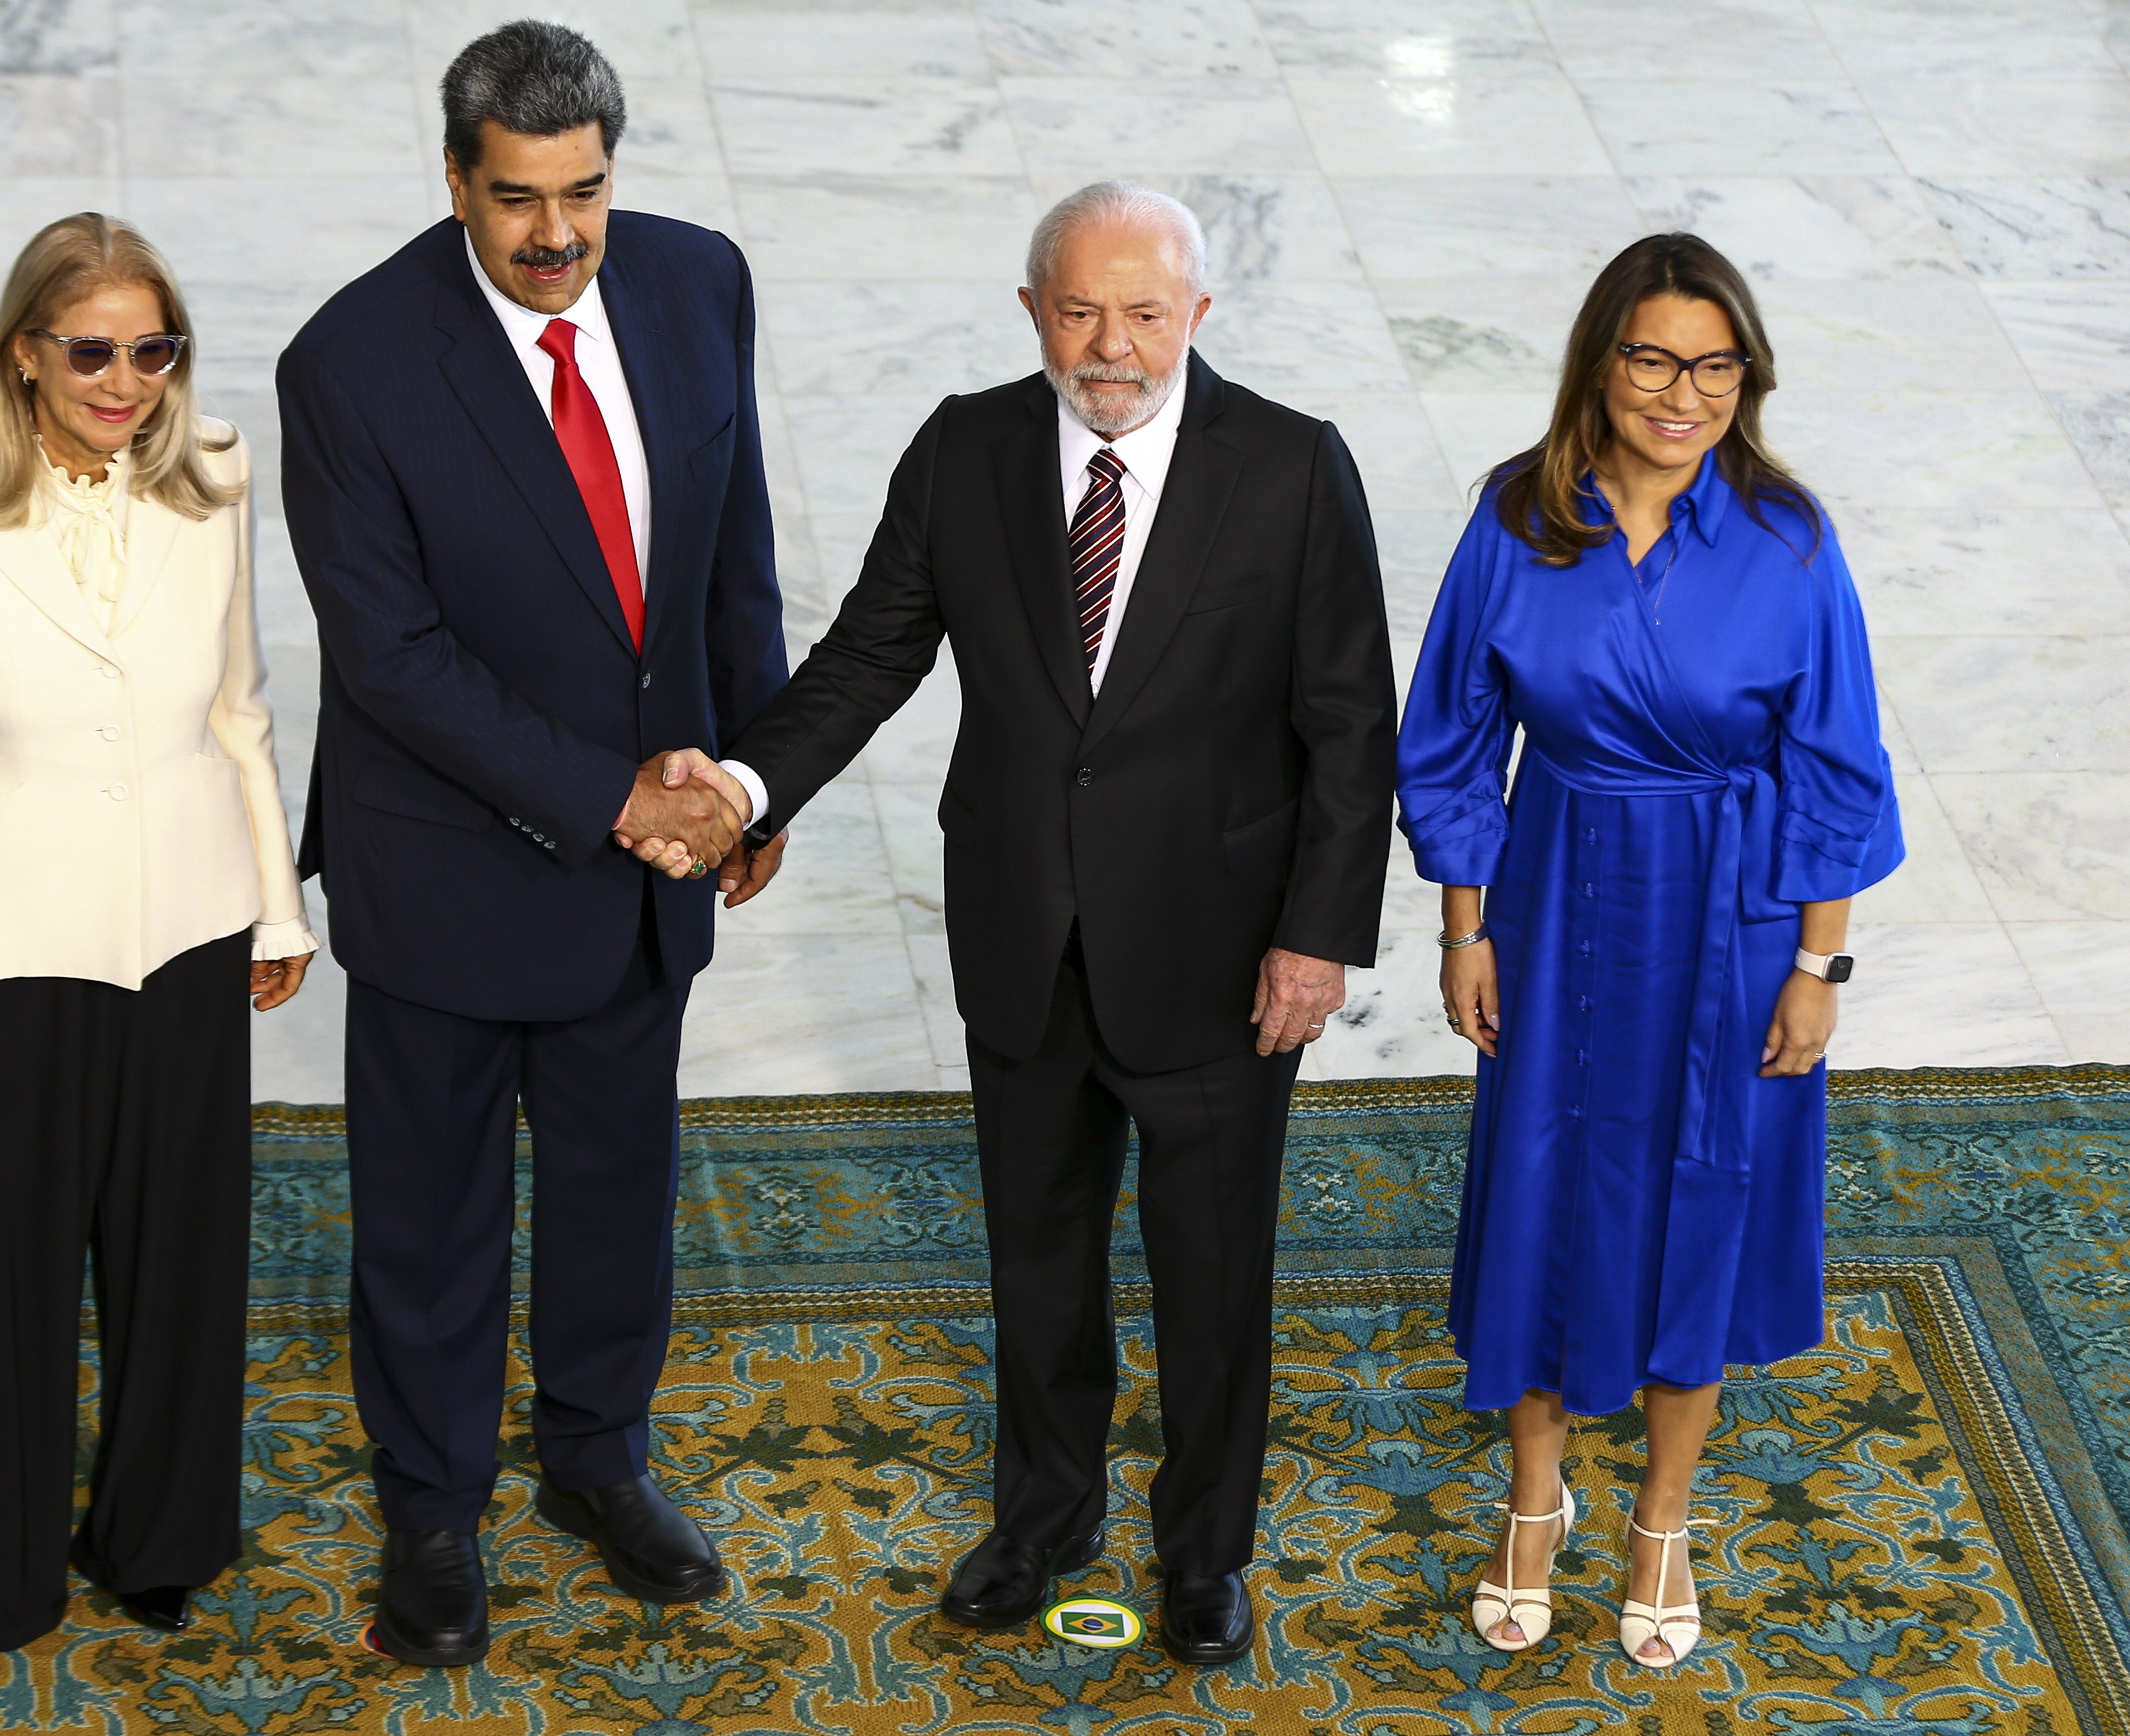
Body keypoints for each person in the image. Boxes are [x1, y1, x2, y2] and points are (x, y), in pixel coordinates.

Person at [675, 182, 1395, 1667]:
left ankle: (1205, 1551)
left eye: (1145, 312)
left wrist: (1317, 938)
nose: (1112, 345)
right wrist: (745, 783)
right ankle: (1045, 1514)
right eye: (1080, 311)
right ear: (1031, 314)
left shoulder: (1292, 469)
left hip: (1222, 953)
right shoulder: (965, 450)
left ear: (1199, 314)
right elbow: (870, 651)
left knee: (1213, 1277)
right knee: (1040, 1262)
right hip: (1024, 937)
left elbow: (1350, 726)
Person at [275, 22, 786, 1669]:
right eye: (516, 202)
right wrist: (622, 799)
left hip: (647, 875)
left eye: (583, 193)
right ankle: (430, 1507)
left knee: (618, 1185)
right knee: (426, 1219)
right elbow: (393, 659)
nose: (556, 235)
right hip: (448, 867)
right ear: (455, 182)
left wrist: (753, 779)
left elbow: (732, 544)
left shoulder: (701, 284)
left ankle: (594, 1461)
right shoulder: (351, 364)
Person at [1394, 232, 1903, 1670]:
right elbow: (1447, 741)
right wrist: (1465, 930)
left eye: (1717, 366)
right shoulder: (1516, 516)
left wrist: (1820, 968)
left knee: (1703, 1187)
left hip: (1733, 918)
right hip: (1557, 896)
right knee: (1547, 1182)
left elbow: (1837, 769)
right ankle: (1536, 1498)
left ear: (1749, 377)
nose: (1685, 395)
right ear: (1600, 364)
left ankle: (1664, 1519)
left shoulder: (1789, 540)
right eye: (1655, 360)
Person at [0, 212, 319, 1651]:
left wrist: (272, 901)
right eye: (96, 351)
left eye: (155, 350)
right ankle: (13, 1571)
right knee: (7, 1284)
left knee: (183, 1258)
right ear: (26, 353)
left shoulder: (218, 478)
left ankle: (159, 1538)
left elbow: (238, 709)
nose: (129, 382)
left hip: (185, 932)